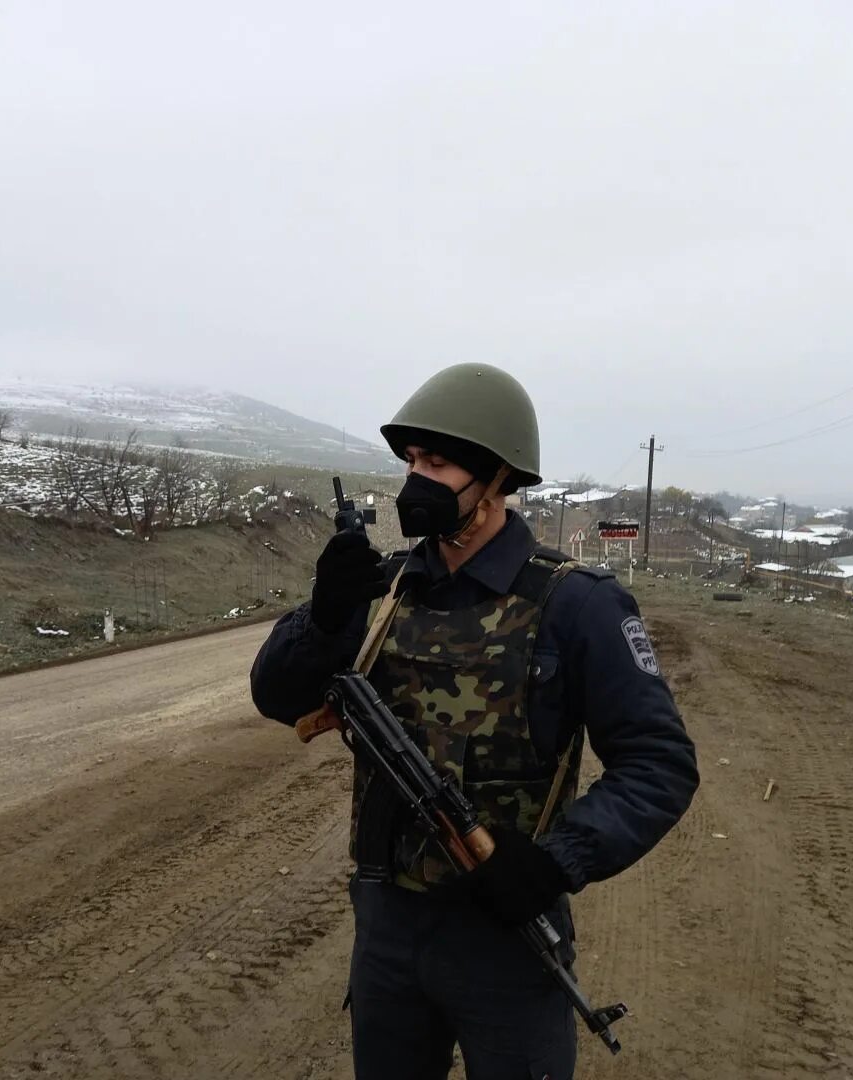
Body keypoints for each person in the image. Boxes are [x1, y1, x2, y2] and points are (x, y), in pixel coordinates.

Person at [250, 364, 699, 1080]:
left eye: (438, 463)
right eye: (411, 462)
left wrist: (557, 861)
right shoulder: (387, 587)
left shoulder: (575, 603)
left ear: (495, 478)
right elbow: (276, 698)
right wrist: (325, 616)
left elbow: (659, 765)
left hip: (504, 937)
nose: (416, 481)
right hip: (388, 928)